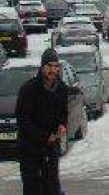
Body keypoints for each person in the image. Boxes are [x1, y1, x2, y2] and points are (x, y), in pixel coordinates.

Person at [16, 48, 68, 195]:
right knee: (32, 188)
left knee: (51, 187)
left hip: (51, 149)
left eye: (56, 66)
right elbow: (23, 119)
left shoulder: (62, 89)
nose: (53, 70)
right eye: (49, 66)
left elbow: (64, 113)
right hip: (30, 149)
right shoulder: (29, 89)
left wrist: (62, 125)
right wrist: (44, 136)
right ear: (42, 67)